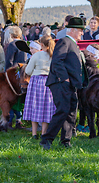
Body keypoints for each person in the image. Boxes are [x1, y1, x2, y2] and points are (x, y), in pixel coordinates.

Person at [40, 17, 89, 150]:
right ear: (72, 30)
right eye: (80, 30)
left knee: (71, 111)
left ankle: (65, 141)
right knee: (63, 110)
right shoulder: (64, 41)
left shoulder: (72, 43)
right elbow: (57, 61)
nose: (82, 33)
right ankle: (46, 139)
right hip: (60, 83)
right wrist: (65, 79)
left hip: (69, 84)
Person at [23, 36, 56, 139]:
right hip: (49, 82)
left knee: (35, 106)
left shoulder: (36, 56)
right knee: (46, 107)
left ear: (41, 45)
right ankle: (44, 132)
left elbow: (28, 71)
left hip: (36, 82)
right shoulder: (53, 55)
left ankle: (34, 134)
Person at [5, 26, 27, 129]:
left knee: (11, 96)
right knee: (19, 96)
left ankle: (10, 120)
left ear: (11, 34)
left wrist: (6, 73)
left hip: (13, 72)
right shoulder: (24, 43)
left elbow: (9, 60)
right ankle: (19, 119)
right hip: (23, 71)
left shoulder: (12, 45)